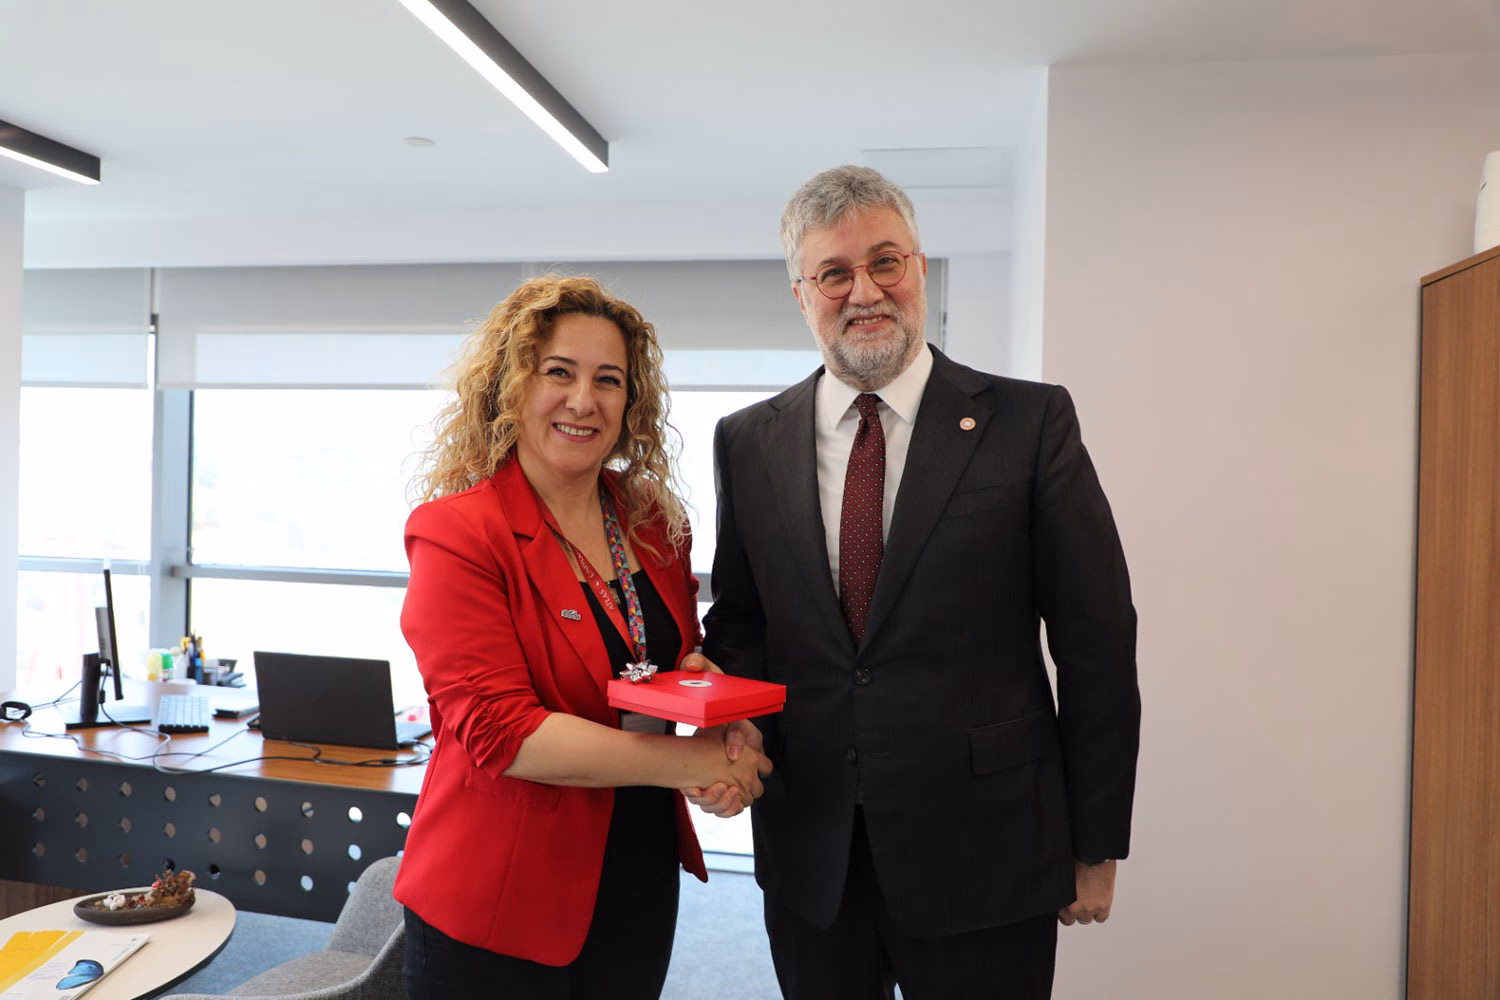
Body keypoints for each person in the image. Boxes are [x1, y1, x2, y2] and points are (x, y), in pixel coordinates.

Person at [695, 166, 1141, 999]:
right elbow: (743, 625)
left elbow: (1097, 644)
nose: (864, 291)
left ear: (920, 269)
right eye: (834, 273)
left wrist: (1096, 843)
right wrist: (728, 741)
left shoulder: (1030, 423)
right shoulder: (747, 441)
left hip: (988, 854)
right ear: (801, 294)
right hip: (813, 854)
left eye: (885, 262)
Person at [393, 274, 772, 1000]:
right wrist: (687, 762)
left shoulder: (654, 522)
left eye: (608, 380)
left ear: (631, 402)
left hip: (637, 875)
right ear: (512, 387)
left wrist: (723, 732)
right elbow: (504, 733)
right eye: (558, 372)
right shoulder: (457, 533)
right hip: (500, 898)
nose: (582, 400)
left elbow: (673, 663)